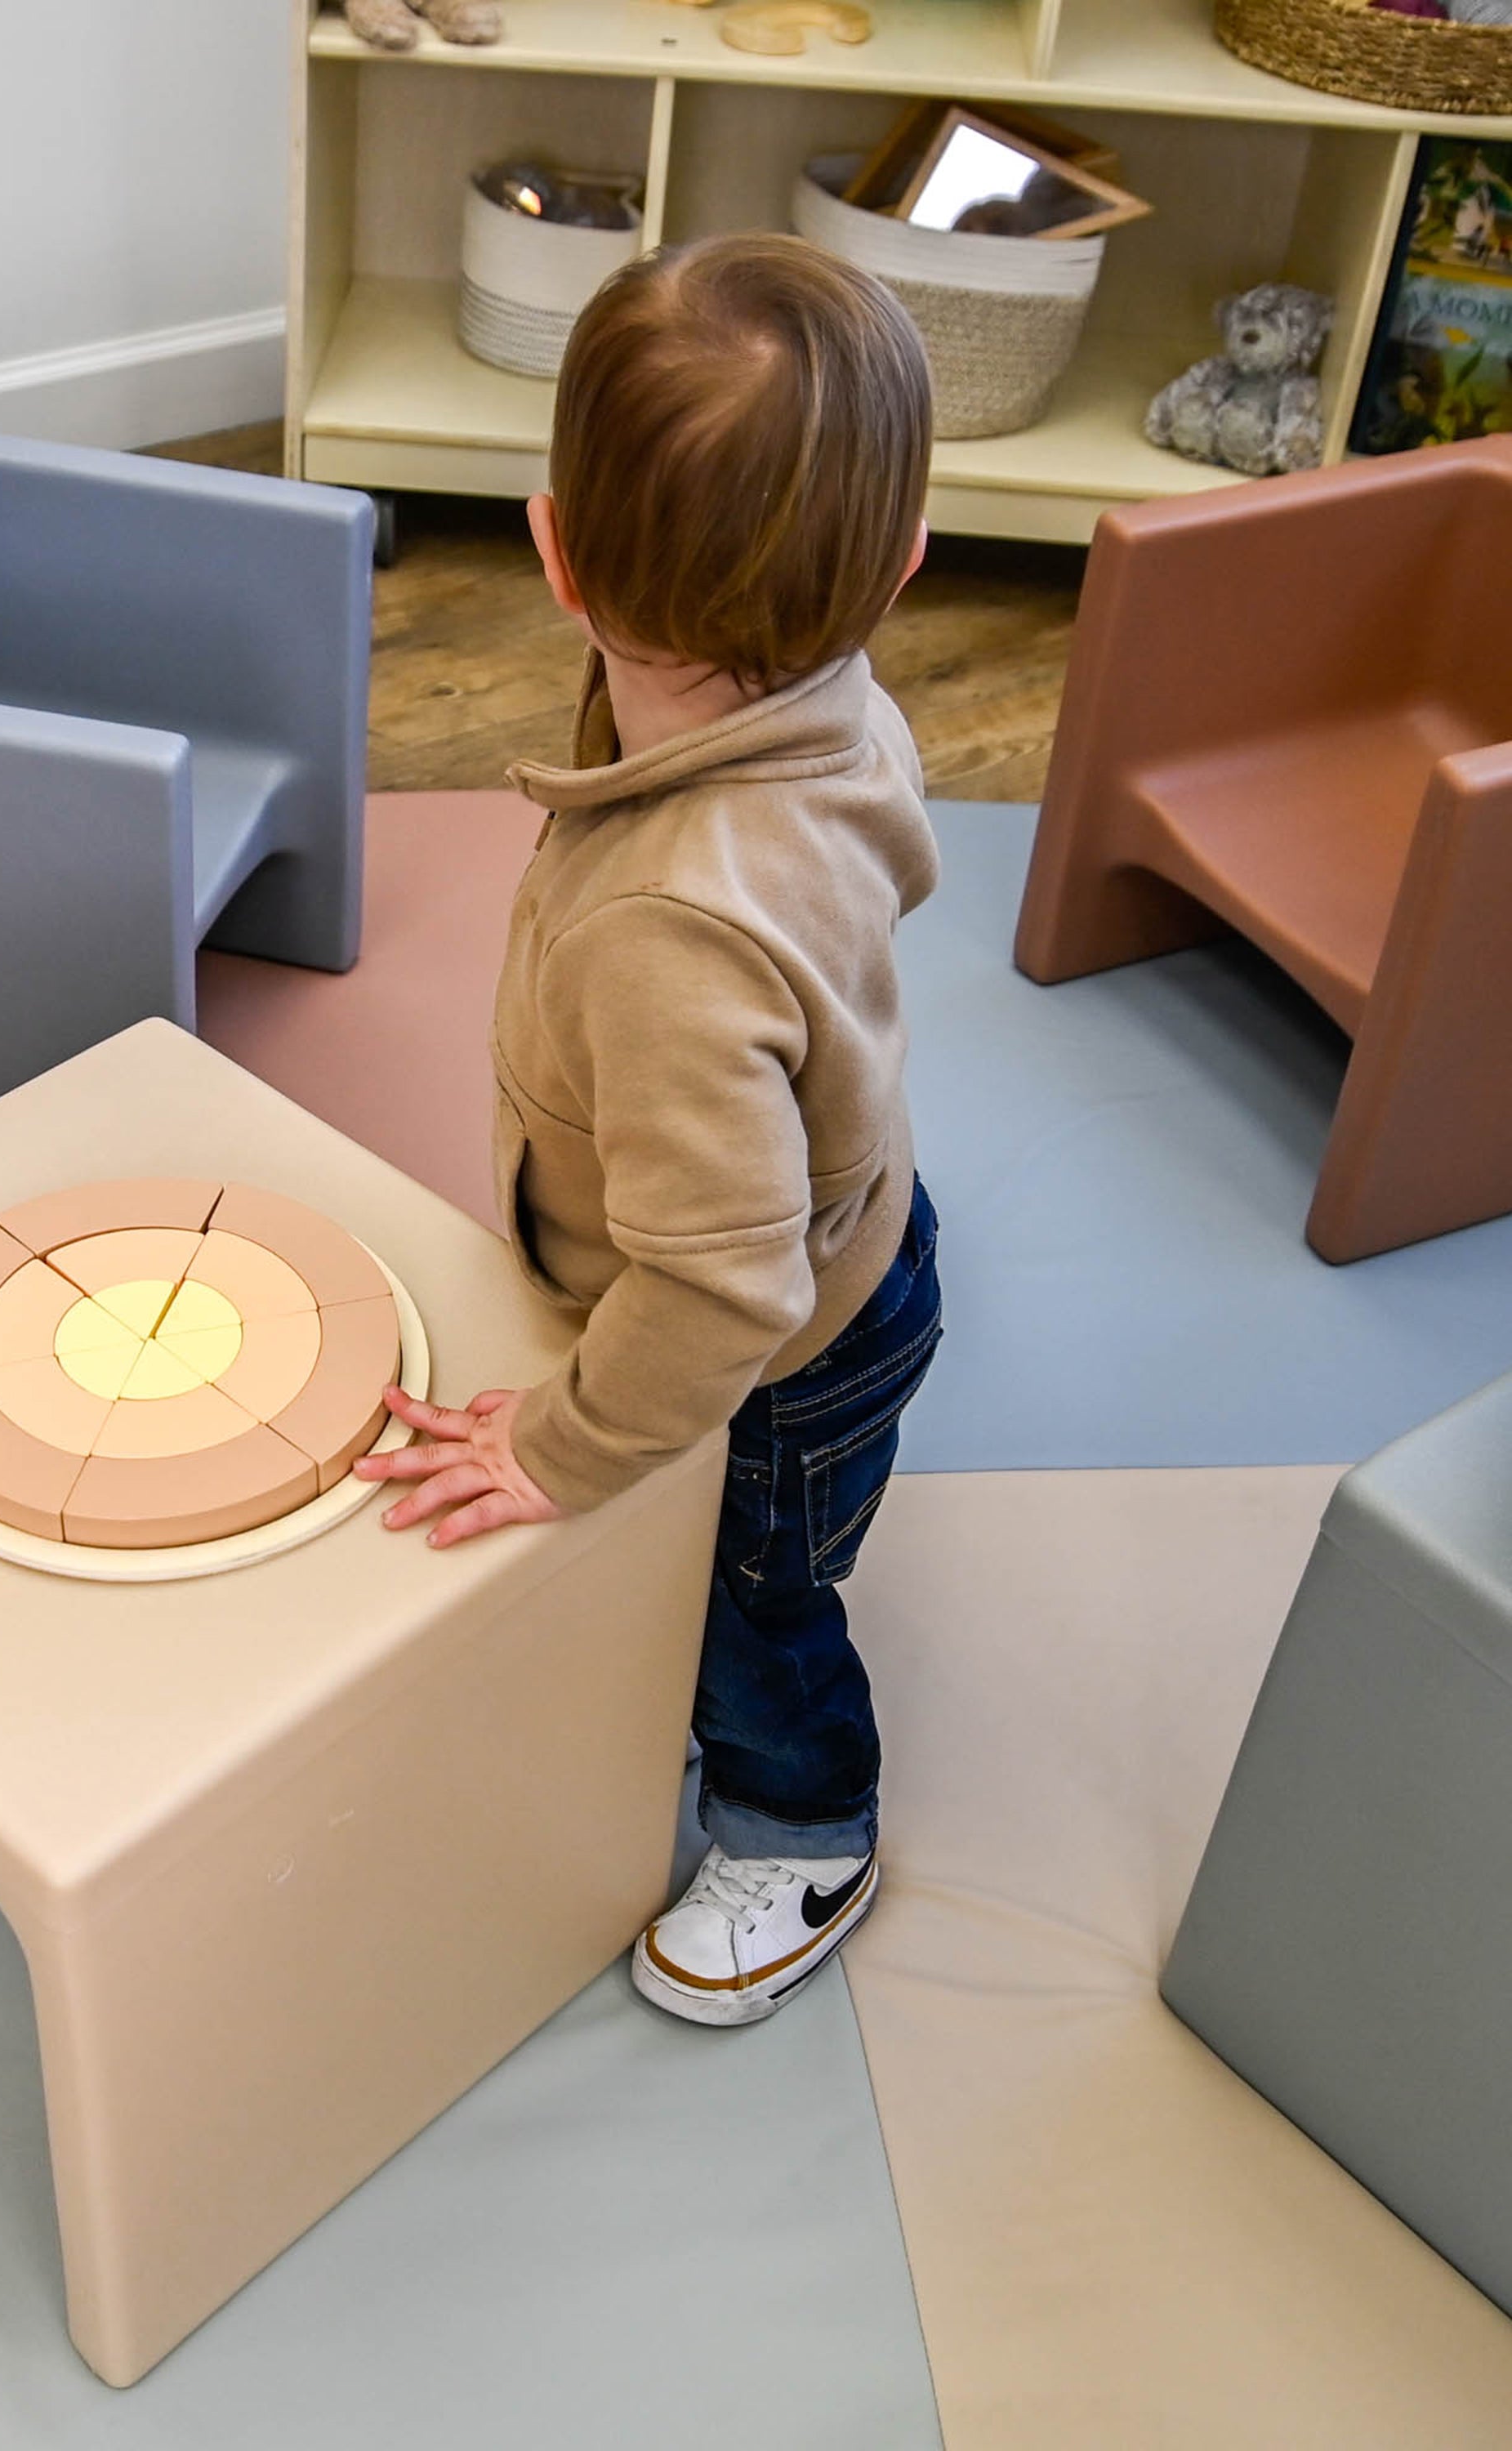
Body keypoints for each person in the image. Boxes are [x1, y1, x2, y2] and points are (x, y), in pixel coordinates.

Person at [355, 233, 944, 2029]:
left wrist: (567, 1448)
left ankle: (804, 1823)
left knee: (747, 1609)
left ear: (551, 556)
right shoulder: (830, 701)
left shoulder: (670, 935)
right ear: (903, 570)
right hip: (850, 1227)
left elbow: (718, 1291)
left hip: (763, 1362)